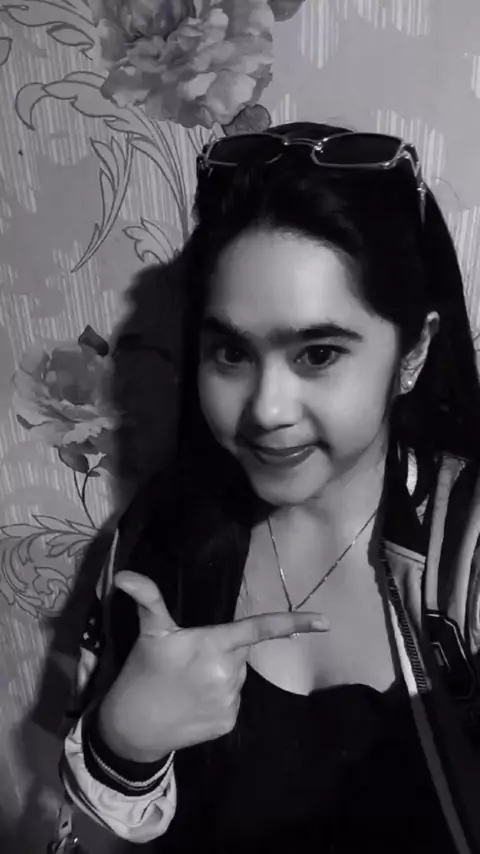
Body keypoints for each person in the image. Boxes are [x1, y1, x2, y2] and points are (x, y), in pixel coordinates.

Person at [61, 123, 480, 853]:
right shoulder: (159, 539)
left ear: (413, 353)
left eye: (318, 354)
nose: (266, 411)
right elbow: (86, 833)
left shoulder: (466, 550)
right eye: (231, 352)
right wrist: (124, 744)